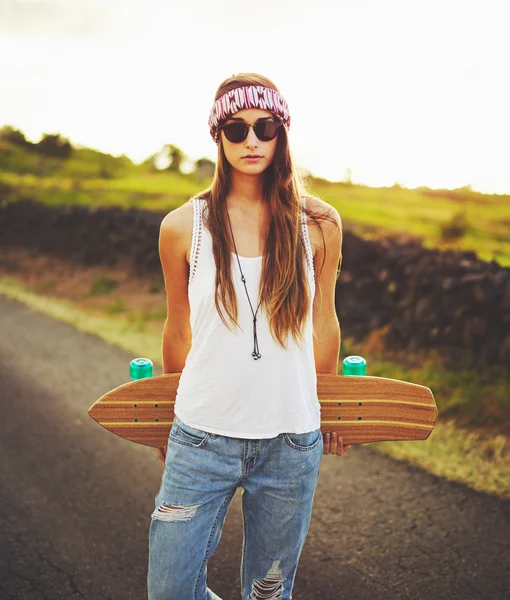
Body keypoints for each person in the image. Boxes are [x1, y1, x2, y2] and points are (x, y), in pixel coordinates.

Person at [147, 72, 351, 600]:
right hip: (200, 437)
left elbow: (323, 323)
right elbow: (179, 327)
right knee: (169, 590)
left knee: (268, 595)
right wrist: (167, 423)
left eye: (264, 127)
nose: (252, 141)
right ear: (218, 137)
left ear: (282, 133)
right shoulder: (181, 227)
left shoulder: (319, 224)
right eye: (236, 130)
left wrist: (329, 407)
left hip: (290, 441)